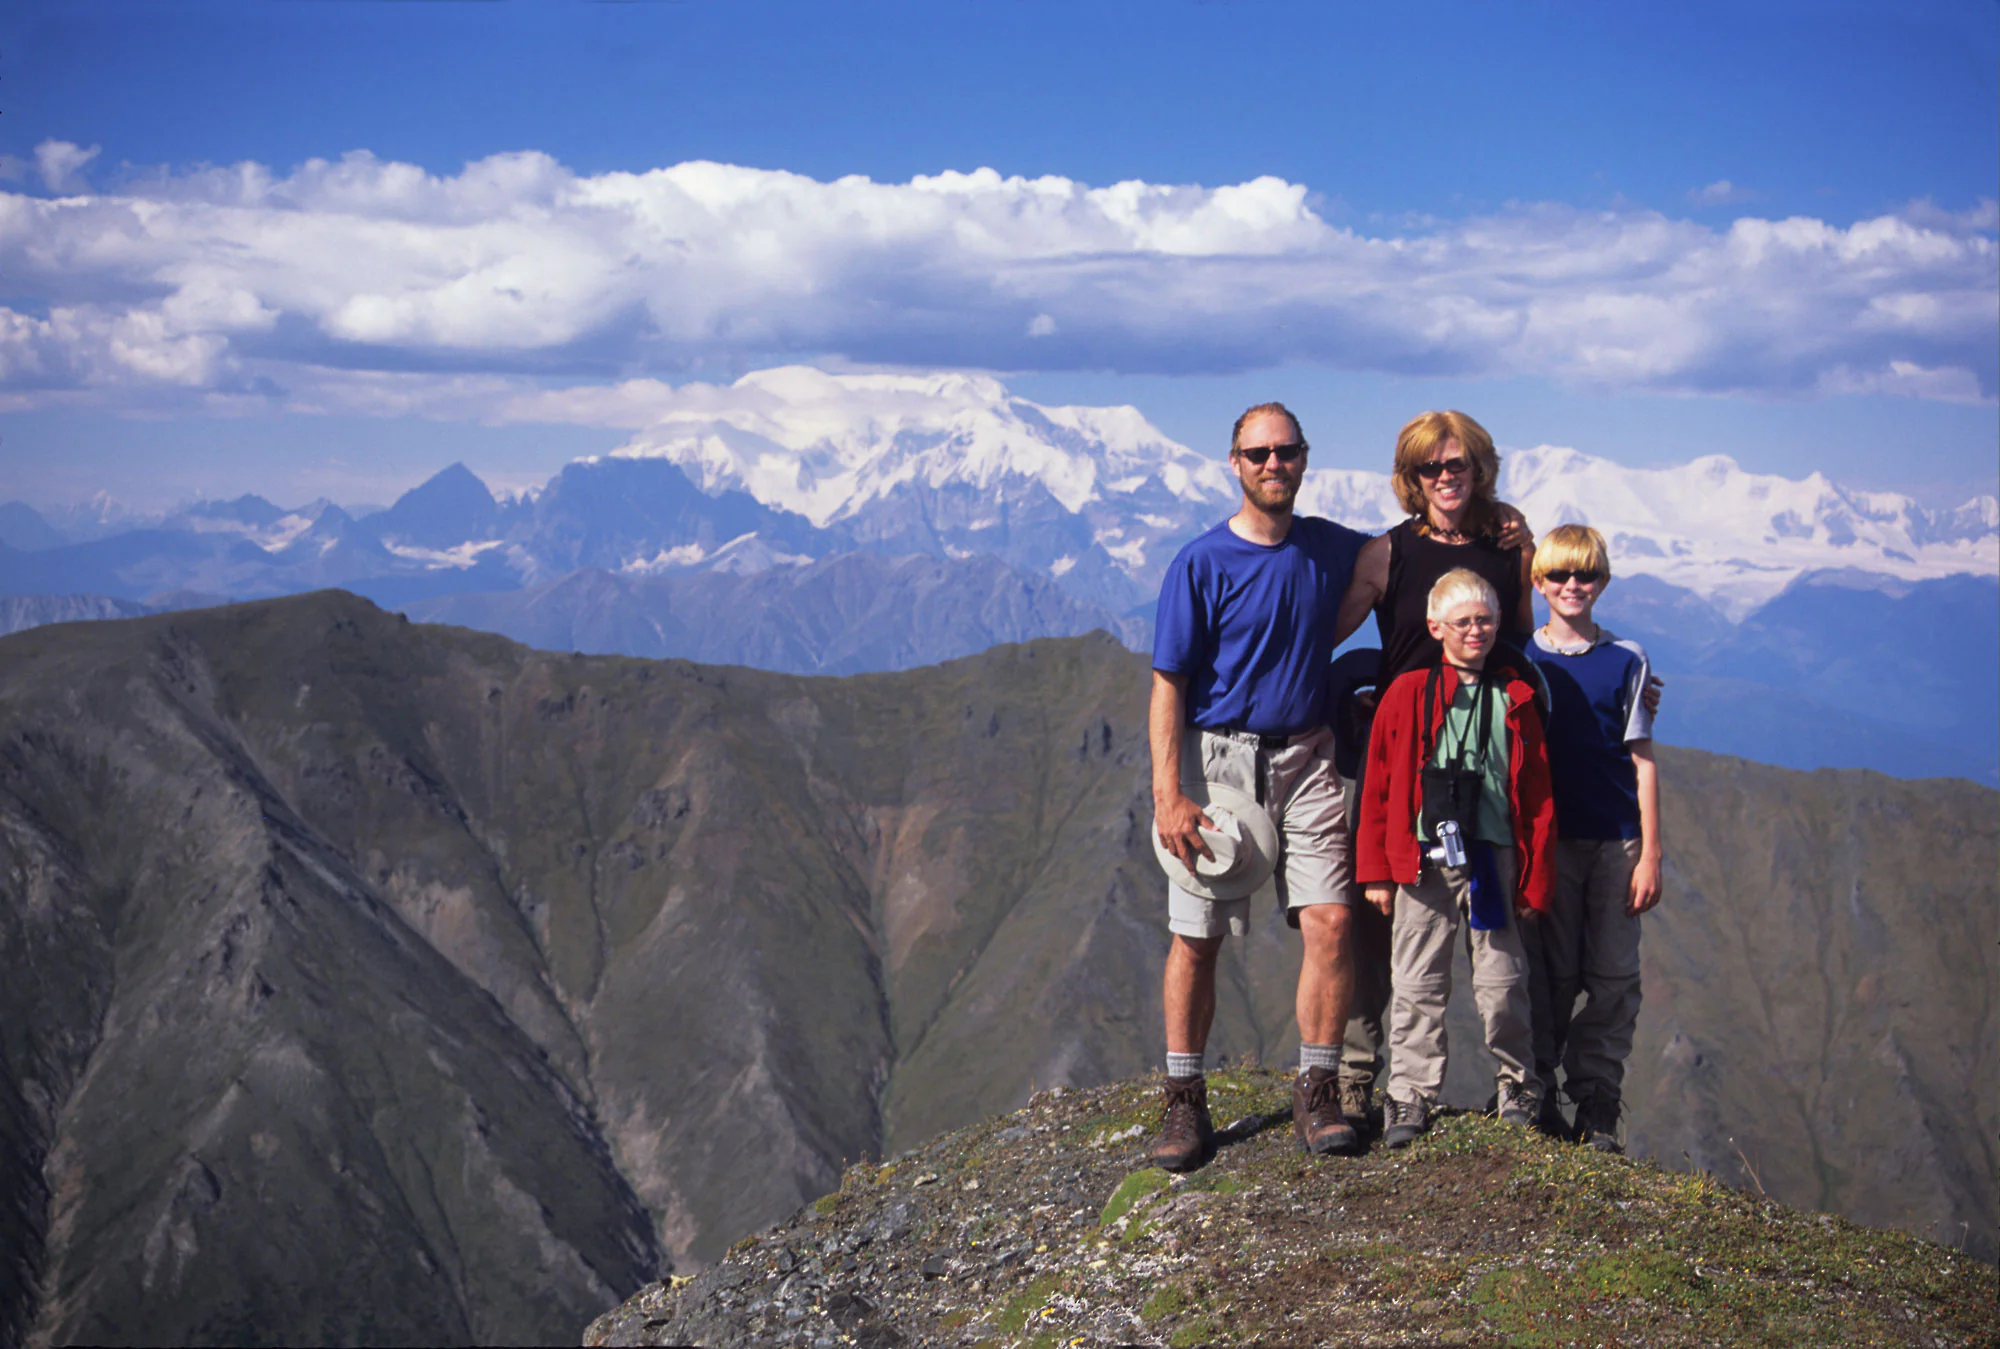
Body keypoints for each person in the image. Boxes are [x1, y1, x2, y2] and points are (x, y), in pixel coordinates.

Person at [1149, 402, 1369, 1170]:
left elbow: (1395, 556)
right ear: (1234, 463)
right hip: (1221, 768)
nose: (1274, 465)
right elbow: (1167, 682)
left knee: (1333, 924)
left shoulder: (1328, 547)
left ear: (1305, 458)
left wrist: (1501, 527)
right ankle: (1183, 1100)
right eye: (1258, 454)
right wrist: (1167, 792)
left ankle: (1317, 1087)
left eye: (1287, 452)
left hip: (1308, 756)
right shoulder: (1201, 562)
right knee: (1196, 936)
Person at [1325, 410, 1536, 1134]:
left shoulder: (1507, 547)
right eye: (1431, 468)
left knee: (1485, 941)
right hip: (1398, 755)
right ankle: (1361, 1078)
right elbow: (1332, 632)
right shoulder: (1388, 554)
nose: (1447, 478)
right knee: (1374, 927)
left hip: (1484, 764)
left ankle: (1514, 1087)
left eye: (1460, 465)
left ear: (1481, 469)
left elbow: (1529, 642)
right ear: (1411, 477)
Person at [1356, 567, 1556, 1149]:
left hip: (1494, 860)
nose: (1477, 630)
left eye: (1487, 619)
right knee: (1418, 982)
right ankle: (1410, 1095)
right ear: (1435, 625)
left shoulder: (1515, 697)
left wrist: (1536, 880)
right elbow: (1379, 786)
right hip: (1421, 861)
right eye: (1464, 621)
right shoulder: (1408, 694)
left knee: (1503, 981)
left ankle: (1519, 1086)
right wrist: (1375, 872)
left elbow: (1540, 796)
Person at [1521, 525, 1663, 1151]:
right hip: (1547, 841)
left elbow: (1643, 758)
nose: (1572, 587)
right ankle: (1540, 1090)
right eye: (1559, 576)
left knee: (1611, 976)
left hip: (1615, 840)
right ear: (1539, 582)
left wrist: (1651, 851)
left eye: (1585, 576)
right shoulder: (1519, 660)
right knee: (1549, 972)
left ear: (1602, 581)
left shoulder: (1628, 660)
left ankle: (1598, 1101)